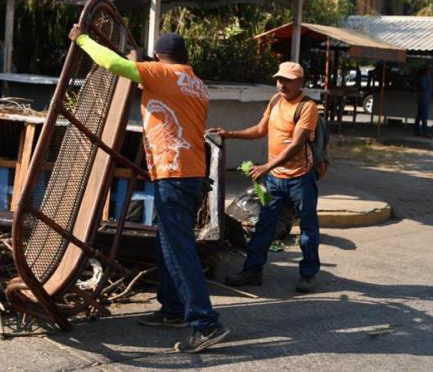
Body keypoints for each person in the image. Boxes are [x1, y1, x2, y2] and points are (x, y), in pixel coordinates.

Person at [68, 24, 228, 353]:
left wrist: (82, 39)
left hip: (174, 173)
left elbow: (112, 64)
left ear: (159, 58)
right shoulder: (197, 83)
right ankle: (172, 311)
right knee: (167, 242)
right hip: (190, 173)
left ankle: (206, 323)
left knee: (178, 250)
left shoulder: (162, 74)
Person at [211, 62, 321, 293]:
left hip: (300, 177)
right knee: (264, 225)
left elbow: (297, 144)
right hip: (275, 179)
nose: (282, 84)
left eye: (288, 80)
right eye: (279, 79)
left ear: (300, 82)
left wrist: (266, 167)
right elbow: (261, 129)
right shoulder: (275, 101)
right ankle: (252, 271)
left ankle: (308, 274)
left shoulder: (307, 107)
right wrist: (230, 134)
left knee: (308, 228)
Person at [414, 67, 433, 138]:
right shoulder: (426, 77)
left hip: (423, 97)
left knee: (419, 115)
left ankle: (416, 131)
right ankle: (425, 132)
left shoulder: (425, 77)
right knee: (424, 116)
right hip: (424, 98)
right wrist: (425, 90)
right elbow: (423, 85)